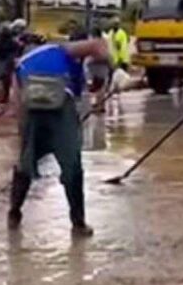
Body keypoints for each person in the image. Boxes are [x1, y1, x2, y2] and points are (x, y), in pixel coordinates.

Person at [8, 36, 108, 237]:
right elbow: (99, 46)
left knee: (26, 161)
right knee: (72, 166)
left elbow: (16, 101)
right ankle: (78, 224)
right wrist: (109, 62)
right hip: (59, 108)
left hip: (32, 109)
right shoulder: (63, 50)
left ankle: (14, 213)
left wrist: (23, 131)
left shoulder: (26, 63)